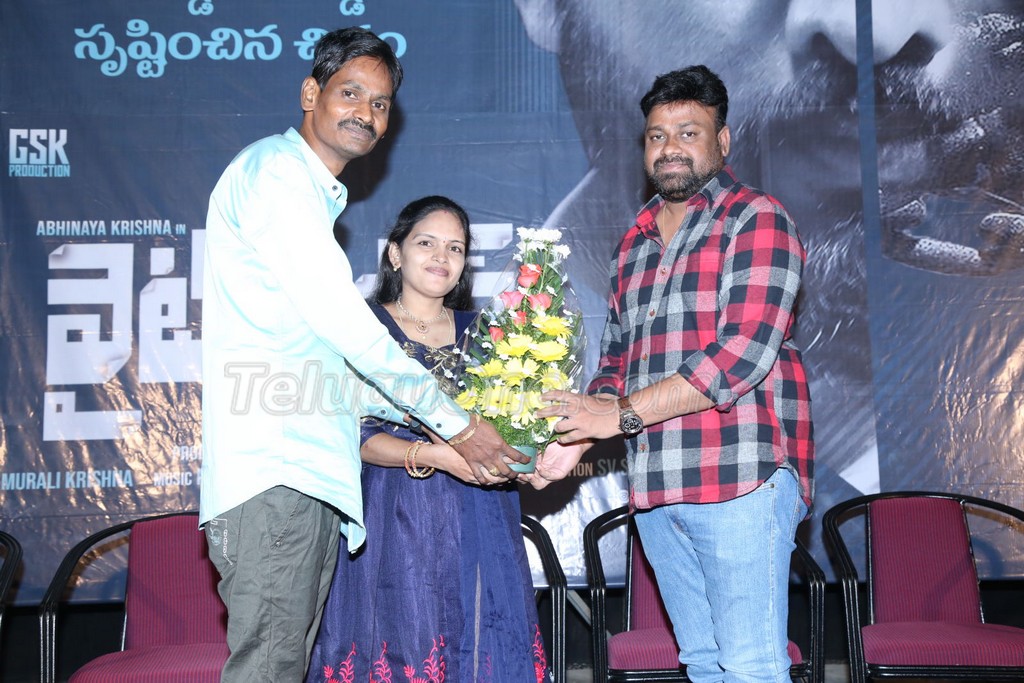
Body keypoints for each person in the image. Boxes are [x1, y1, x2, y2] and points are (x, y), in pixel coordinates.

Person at [200, 29, 527, 682]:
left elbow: (332, 369)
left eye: (380, 104)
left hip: (304, 477)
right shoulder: (277, 175)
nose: (366, 113)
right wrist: (457, 427)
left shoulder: (306, 193)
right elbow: (347, 327)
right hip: (279, 474)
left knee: (282, 668)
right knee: (269, 669)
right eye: (350, 93)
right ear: (310, 93)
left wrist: (487, 433)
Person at [536, 66, 814, 682]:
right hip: (656, 486)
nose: (670, 148)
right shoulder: (631, 244)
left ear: (723, 141)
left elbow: (740, 353)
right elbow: (615, 363)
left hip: (741, 476)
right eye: (657, 136)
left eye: (689, 132)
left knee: (750, 665)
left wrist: (617, 415)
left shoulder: (756, 218)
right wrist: (577, 436)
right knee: (702, 663)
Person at [305, 195, 550, 683]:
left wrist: (527, 450)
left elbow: (512, 420)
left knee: (482, 641)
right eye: (426, 243)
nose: (442, 257)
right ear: (395, 253)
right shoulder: (362, 329)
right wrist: (435, 455)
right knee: (400, 641)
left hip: (480, 510)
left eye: (455, 248)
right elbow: (352, 436)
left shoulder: (489, 334)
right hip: (391, 511)